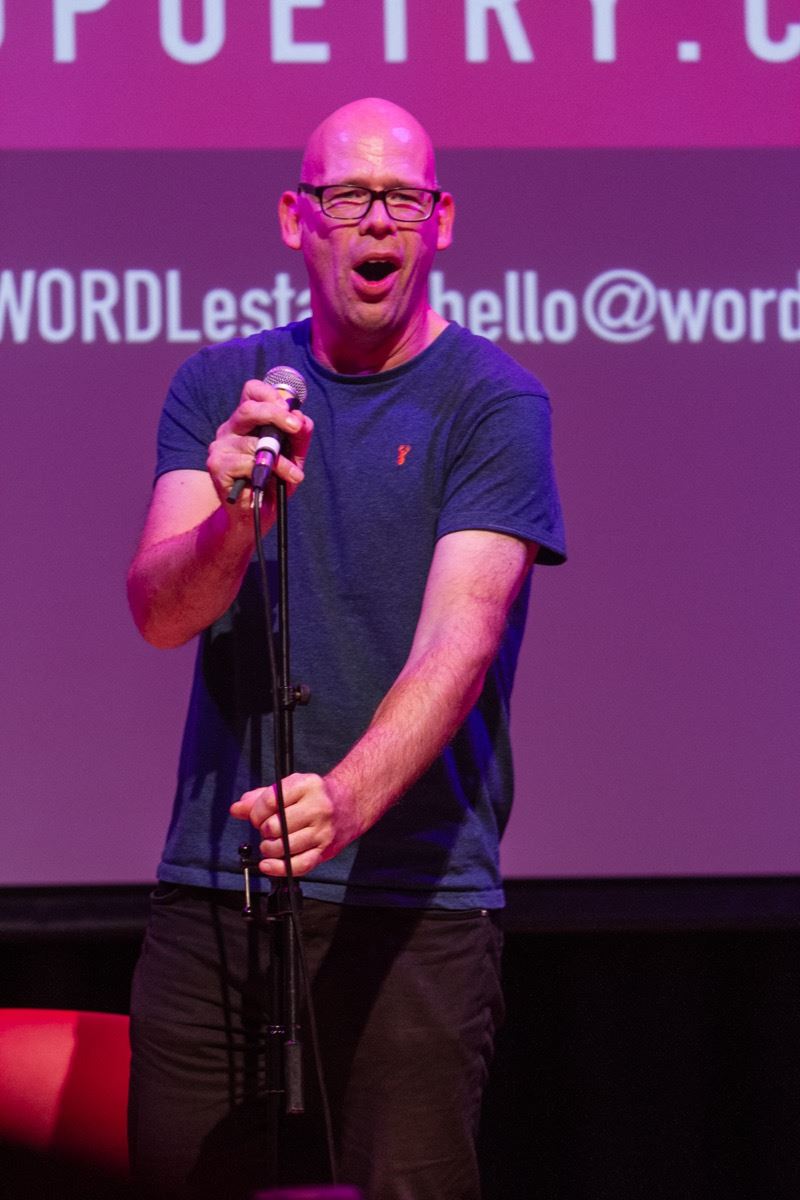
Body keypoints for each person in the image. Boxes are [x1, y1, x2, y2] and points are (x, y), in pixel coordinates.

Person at [126, 97, 566, 1200]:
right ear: (297, 218)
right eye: (348, 196)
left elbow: (459, 641)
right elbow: (161, 613)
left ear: (439, 221)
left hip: (410, 905)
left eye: (402, 200)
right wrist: (234, 522)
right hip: (219, 893)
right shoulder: (224, 389)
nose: (376, 222)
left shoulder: (493, 401)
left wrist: (345, 798)